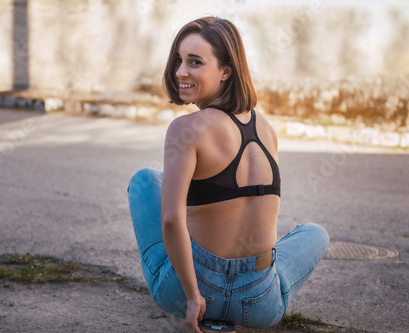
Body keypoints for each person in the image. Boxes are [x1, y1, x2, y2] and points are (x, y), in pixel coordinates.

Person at [128, 16, 329, 333]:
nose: (181, 71)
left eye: (194, 62)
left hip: (189, 291)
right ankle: (266, 285)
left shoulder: (186, 129)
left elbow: (170, 219)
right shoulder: (267, 129)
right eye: (178, 60)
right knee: (315, 233)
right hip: (259, 303)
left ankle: (194, 293)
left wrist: (194, 297)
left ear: (226, 71)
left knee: (144, 180)